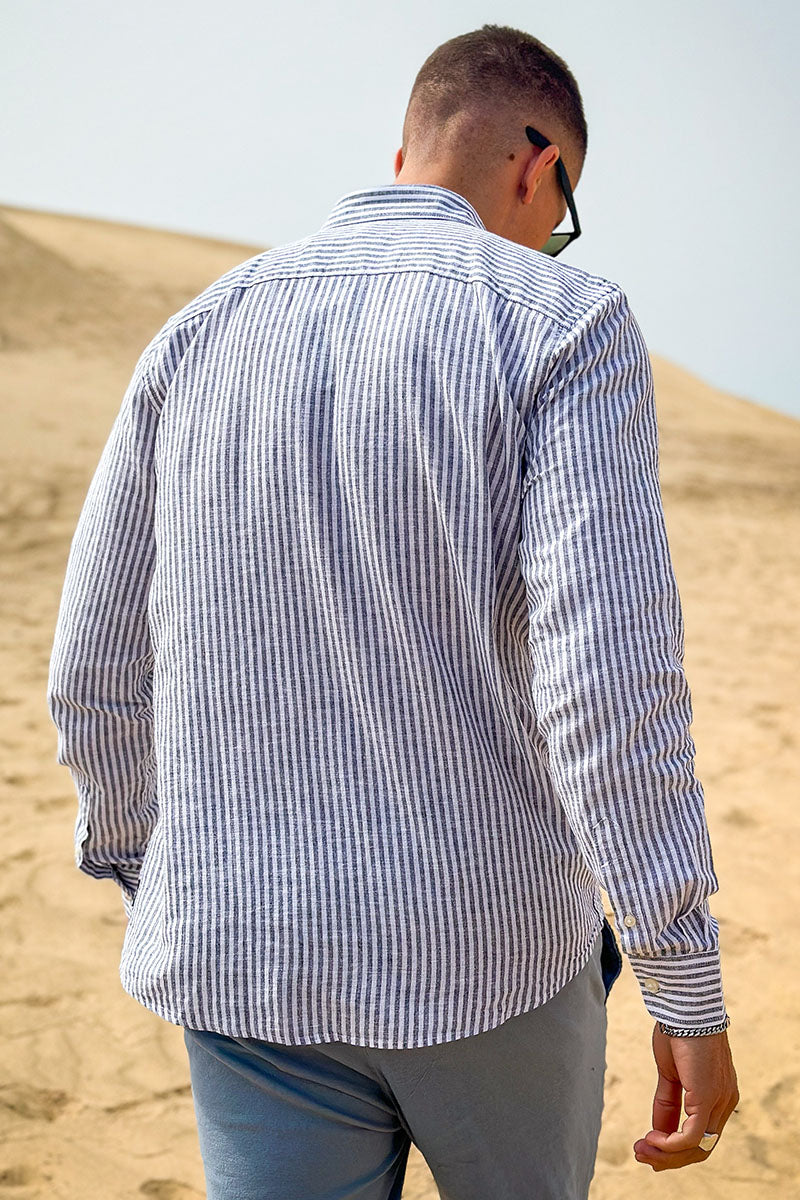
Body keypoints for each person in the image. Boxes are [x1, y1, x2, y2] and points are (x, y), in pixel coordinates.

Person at [46, 22, 739, 1200]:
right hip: (489, 954)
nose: (549, 239)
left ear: (405, 151)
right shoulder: (560, 321)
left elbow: (94, 672)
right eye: (560, 214)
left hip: (246, 965)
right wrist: (682, 980)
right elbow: (604, 686)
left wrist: (158, 877)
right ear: (537, 167)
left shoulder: (198, 330)